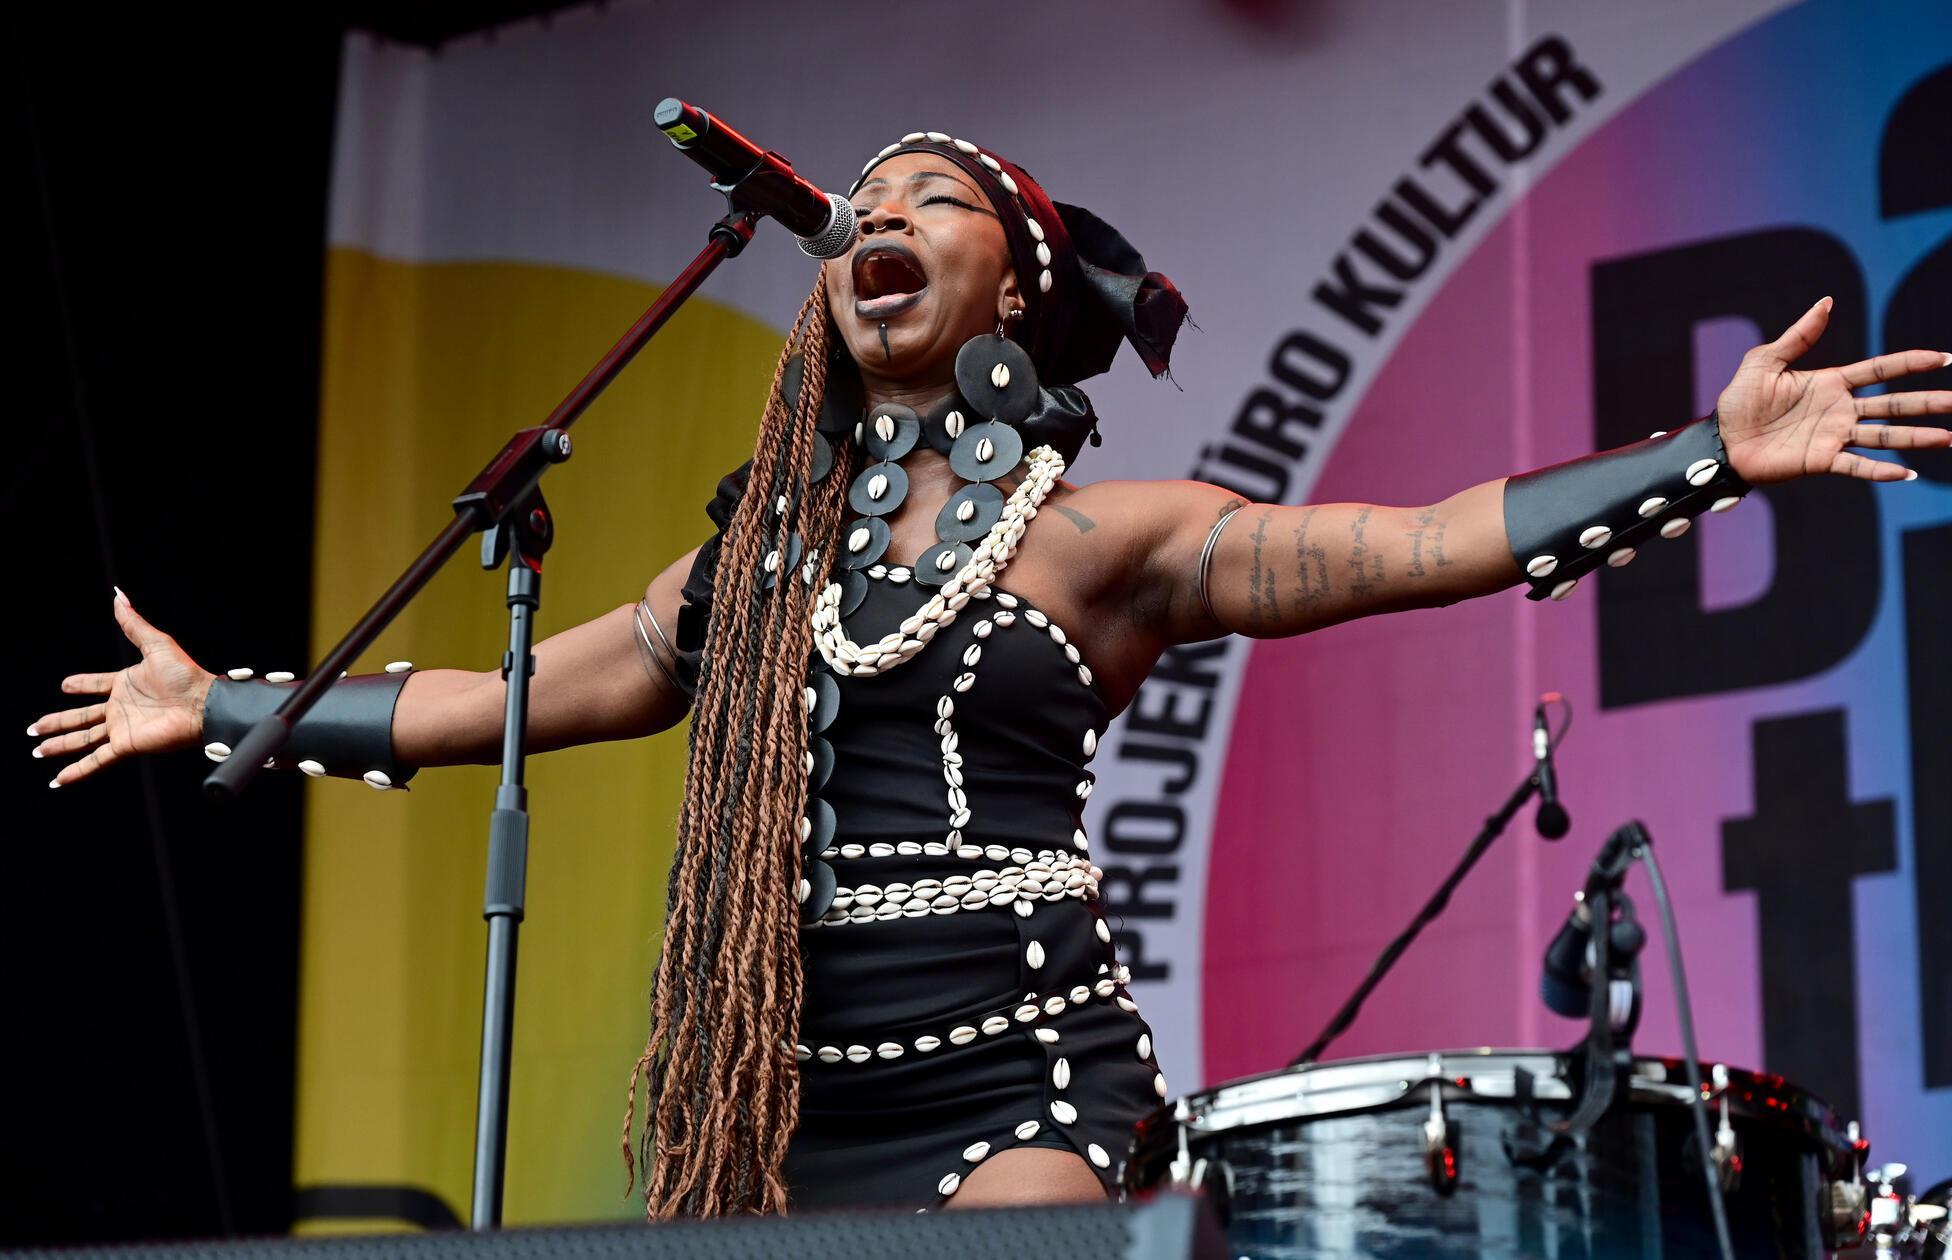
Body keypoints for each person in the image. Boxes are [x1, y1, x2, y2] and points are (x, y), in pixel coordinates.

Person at [30, 132, 1952, 1220]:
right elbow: (517, 699)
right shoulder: (756, 566)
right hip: (783, 1106)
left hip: (1016, 1095)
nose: (881, 220)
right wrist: (225, 709)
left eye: (933, 201)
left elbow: (1426, 543)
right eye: (861, 208)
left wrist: (1706, 454)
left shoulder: (1098, 538)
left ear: (1014, 281)